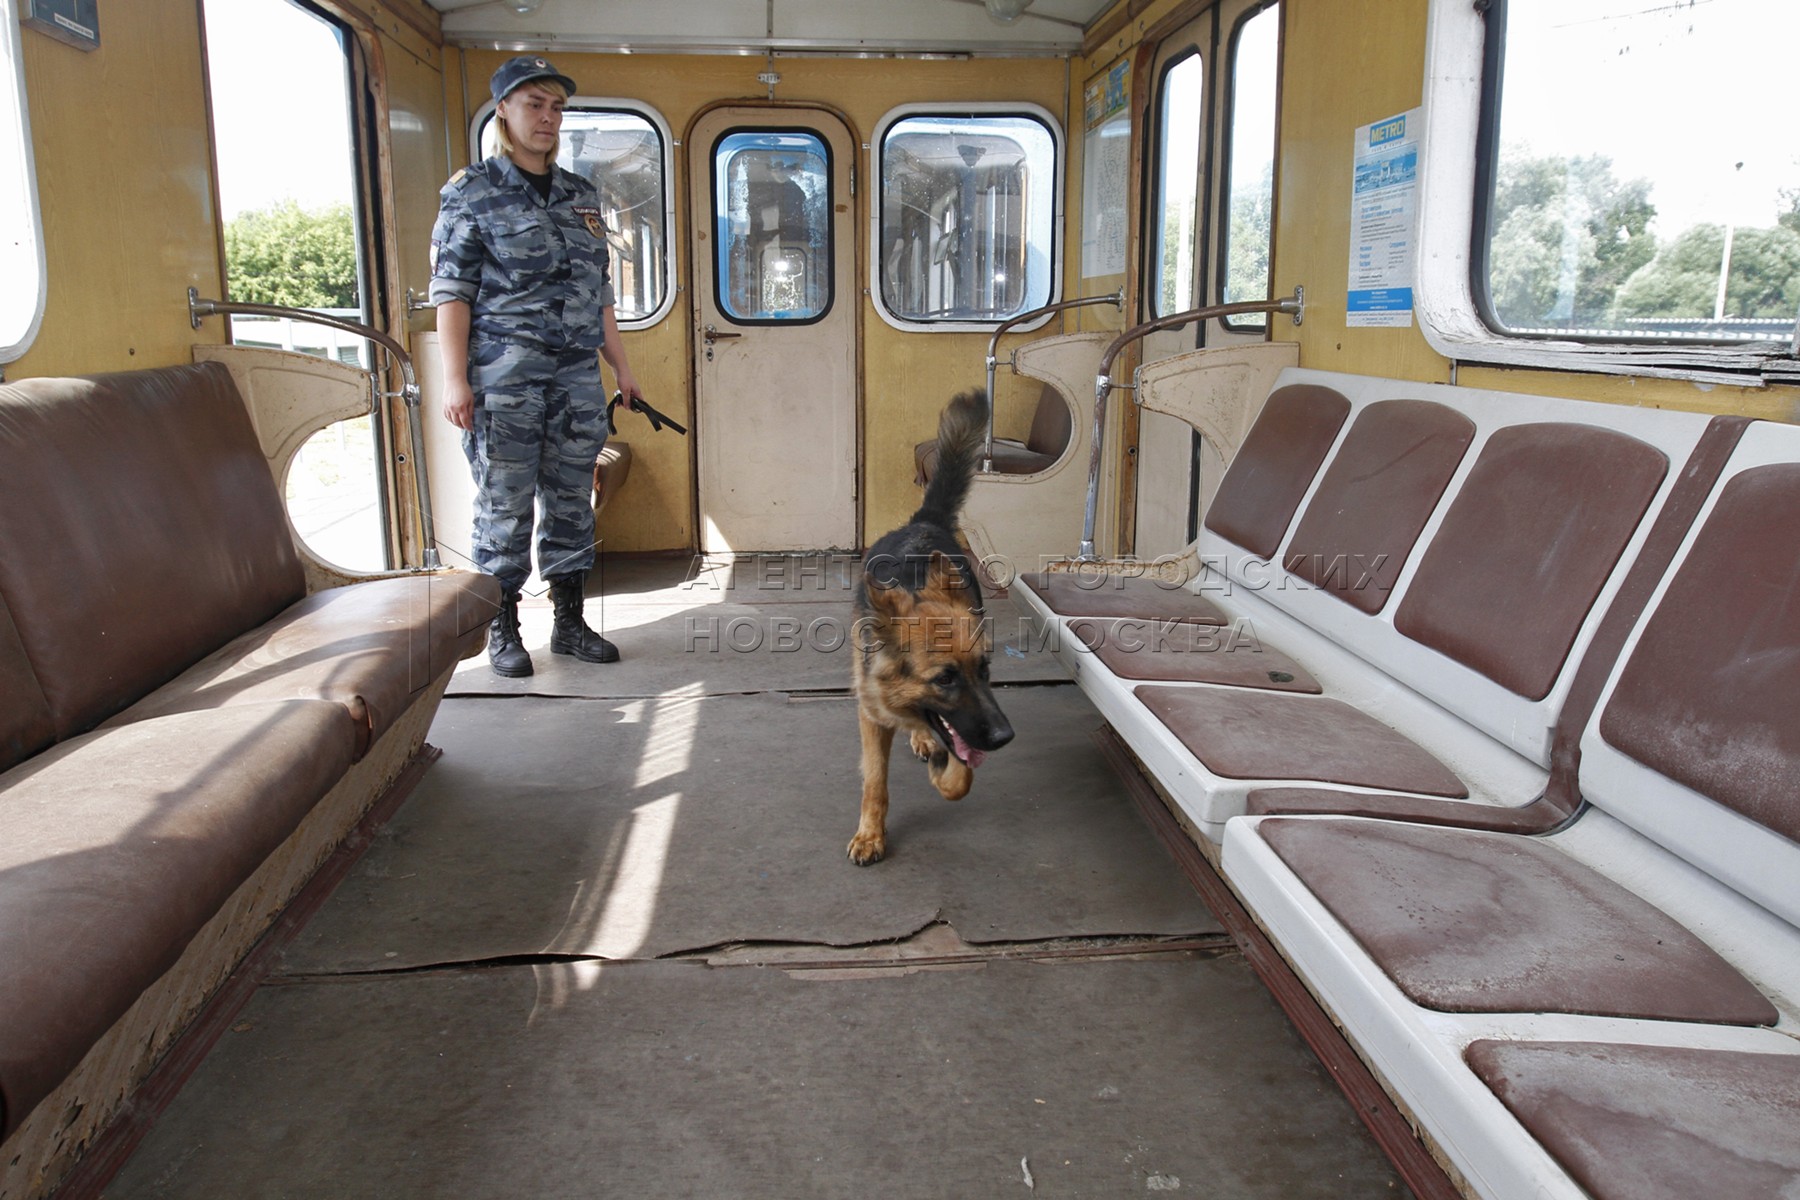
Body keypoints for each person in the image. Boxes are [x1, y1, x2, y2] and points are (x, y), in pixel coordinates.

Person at [428, 55, 642, 676]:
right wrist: (455, 379)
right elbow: (452, 293)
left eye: (555, 108)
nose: (547, 118)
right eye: (533, 105)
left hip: (577, 376)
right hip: (503, 378)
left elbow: (598, 290)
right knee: (504, 503)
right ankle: (502, 629)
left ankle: (570, 624)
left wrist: (621, 369)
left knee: (572, 498)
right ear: (504, 111)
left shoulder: (581, 194)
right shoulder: (471, 192)